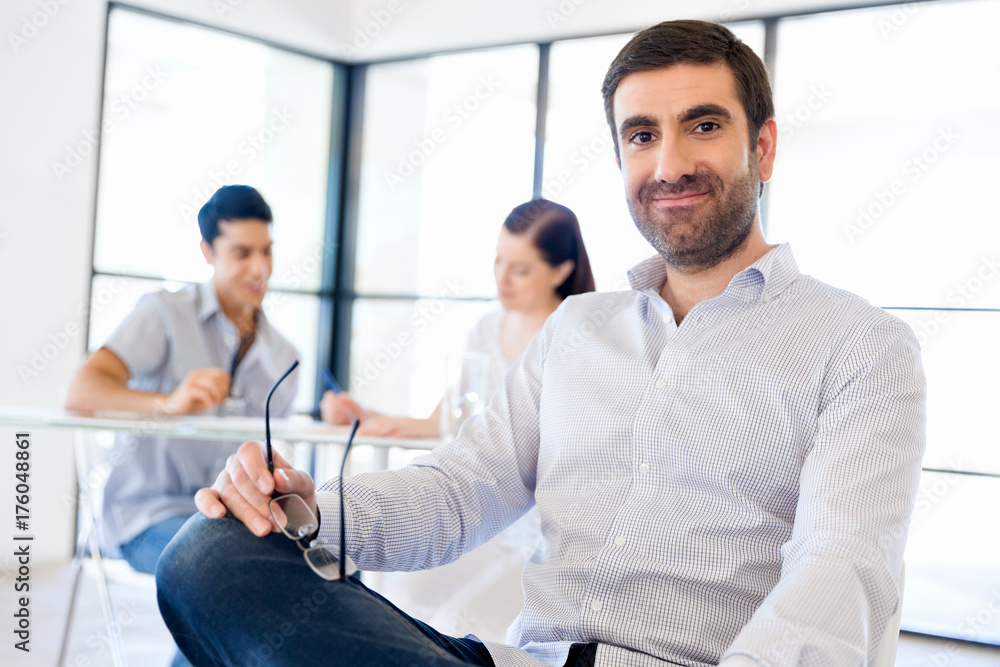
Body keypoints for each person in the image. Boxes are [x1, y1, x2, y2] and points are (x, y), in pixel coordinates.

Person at [156, 20, 926, 667]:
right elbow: (460, 489)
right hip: (519, 659)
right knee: (211, 552)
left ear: (762, 148)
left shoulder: (860, 346)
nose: (669, 164)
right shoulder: (577, 331)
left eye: (704, 125)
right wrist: (303, 509)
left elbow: (841, 566)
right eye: (641, 134)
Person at [322, 198, 595, 641]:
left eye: (520, 269)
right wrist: (365, 414)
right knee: (397, 598)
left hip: (536, 531)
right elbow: (447, 420)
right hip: (481, 518)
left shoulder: (579, 340)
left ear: (561, 271)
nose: (502, 279)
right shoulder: (488, 328)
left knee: (461, 620)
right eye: (498, 261)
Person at [64, 184, 299, 575]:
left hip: (236, 517)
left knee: (320, 564)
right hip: (149, 514)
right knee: (221, 569)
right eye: (242, 253)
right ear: (207, 252)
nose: (260, 269)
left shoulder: (286, 356)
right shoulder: (164, 314)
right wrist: (168, 404)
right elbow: (79, 391)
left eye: (267, 251)